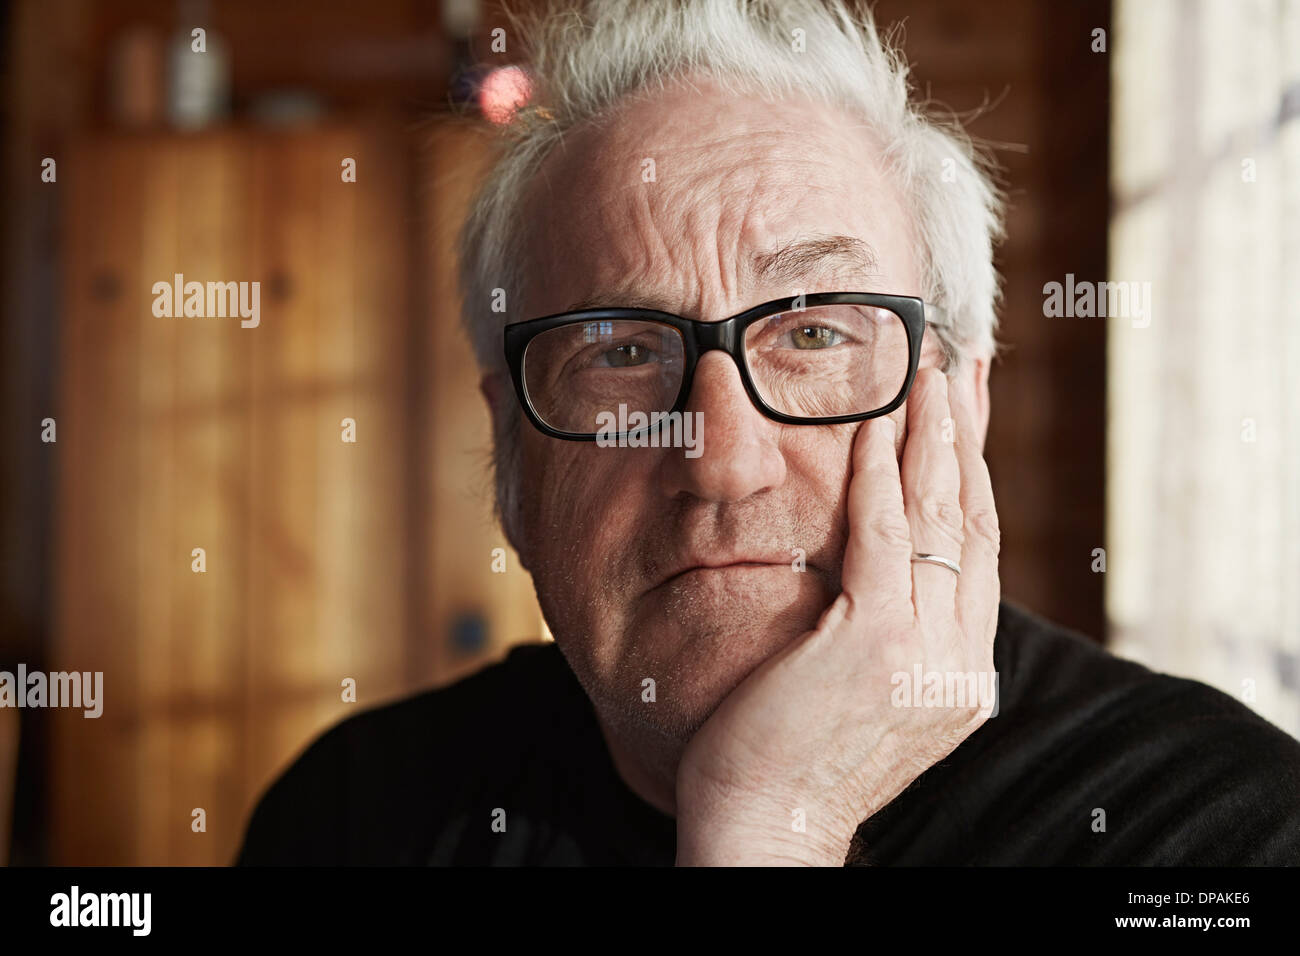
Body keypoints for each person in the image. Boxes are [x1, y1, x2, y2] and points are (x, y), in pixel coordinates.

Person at [237, 0, 1300, 866]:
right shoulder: (354, 814)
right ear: (511, 454)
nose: (721, 460)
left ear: (959, 406)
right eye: (618, 352)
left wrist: (769, 824)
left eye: (814, 331)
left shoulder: (1220, 830)